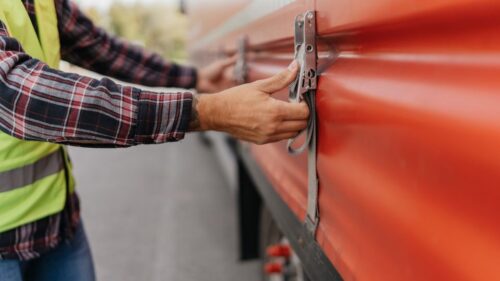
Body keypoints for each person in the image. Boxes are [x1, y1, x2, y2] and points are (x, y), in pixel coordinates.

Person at [0, 0, 309, 280]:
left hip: (59, 224)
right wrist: (208, 111)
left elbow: (102, 49)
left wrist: (193, 79)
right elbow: (18, 94)